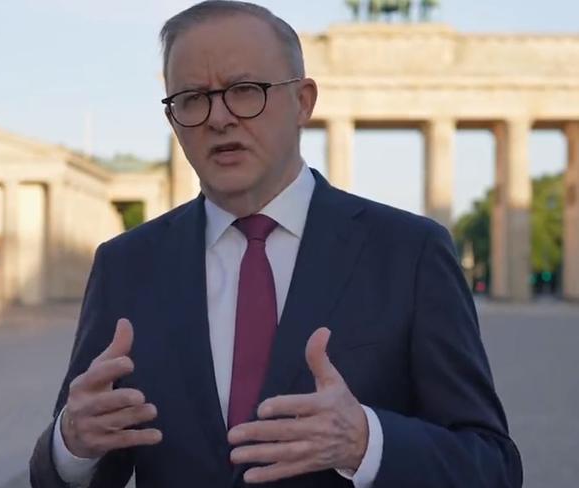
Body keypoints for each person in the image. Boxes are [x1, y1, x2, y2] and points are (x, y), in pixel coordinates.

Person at [30, 1, 523, 487]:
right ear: (173, 117)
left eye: (246, 90)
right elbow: (80, 461)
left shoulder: (410, 253)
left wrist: (365, 443)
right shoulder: (125, 265)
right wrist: (72, 445)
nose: (219, 118)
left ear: (303, 101)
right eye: (192, 98)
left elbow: (492, 466)